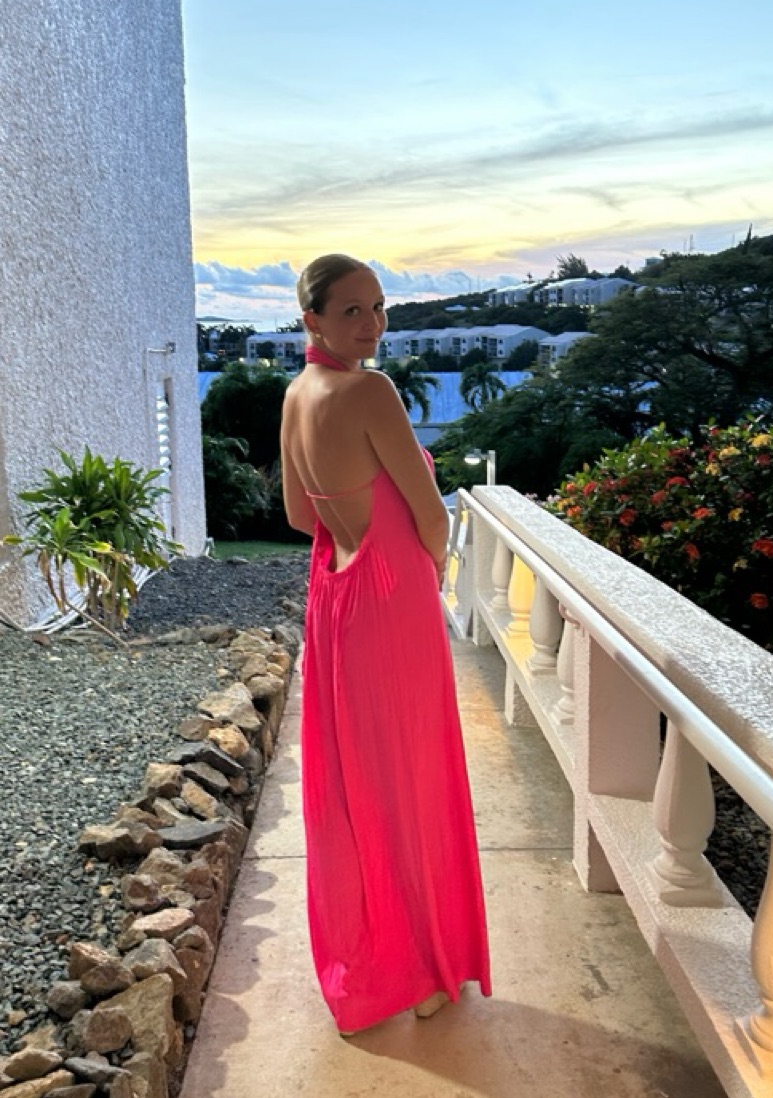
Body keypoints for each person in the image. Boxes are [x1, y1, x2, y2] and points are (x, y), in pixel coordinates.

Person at [280, 254, 491, 1037]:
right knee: (414, 778)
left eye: (378, 307)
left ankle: (375, 960)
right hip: (393, 595)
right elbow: (432, 513)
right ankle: (426, 969)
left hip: (337, 592)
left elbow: (299, 515)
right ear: (312, 319)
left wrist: (355, 518)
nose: (372, 324)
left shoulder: (297, 393)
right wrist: (429, 565)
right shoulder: (370, 391)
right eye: (351, 311)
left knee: (359, 782)